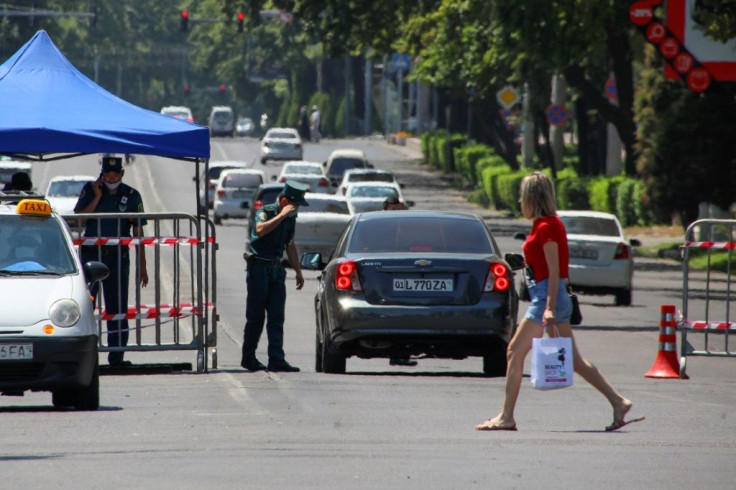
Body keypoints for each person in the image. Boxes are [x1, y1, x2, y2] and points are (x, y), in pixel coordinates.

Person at [475, 172, 635, 432]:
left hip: (547, 297)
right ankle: (618, 401)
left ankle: (506, 416)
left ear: (531, 198)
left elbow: (553, 270)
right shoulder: (546, 225)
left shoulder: (547, 227)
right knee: (573, 359)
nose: (519, 200)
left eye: (522, 195)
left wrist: (548, 306)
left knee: (514, 352)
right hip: (550, 295)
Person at [74, 156, 148, 367]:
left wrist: (142, 265)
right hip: (91, 256)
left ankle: (116, 355)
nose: (111, 177)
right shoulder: (90, 190)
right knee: (87, 305)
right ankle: (85, 356)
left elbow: (139, 232)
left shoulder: (131, 195)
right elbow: (80, 219)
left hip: (117, 258)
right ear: (102, 174)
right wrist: (97, 196)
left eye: (115, 174)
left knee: (117, 308)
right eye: (107, 174)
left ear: (122, 174)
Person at [241, 180, 308, 373]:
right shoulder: (267, 211)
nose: (296, 209)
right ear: (285, 200)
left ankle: (276, 359)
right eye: (294, 205)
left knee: (277, 317)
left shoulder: (290, 218)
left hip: (276, 270)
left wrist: (298, 271)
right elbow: (260, 230)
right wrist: (281, 215)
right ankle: (249, 358)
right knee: (256, 316)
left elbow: (290, 244)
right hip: (259, 269)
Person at [381, 195, 417, 367]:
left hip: (406, 276)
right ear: (386, 208)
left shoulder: (406, 226)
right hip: (388, 278)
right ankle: (396, 355)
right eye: (392, 209)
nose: (395, 212)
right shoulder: (381, 226)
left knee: (407, 316)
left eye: (398, 208)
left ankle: (401, 355)